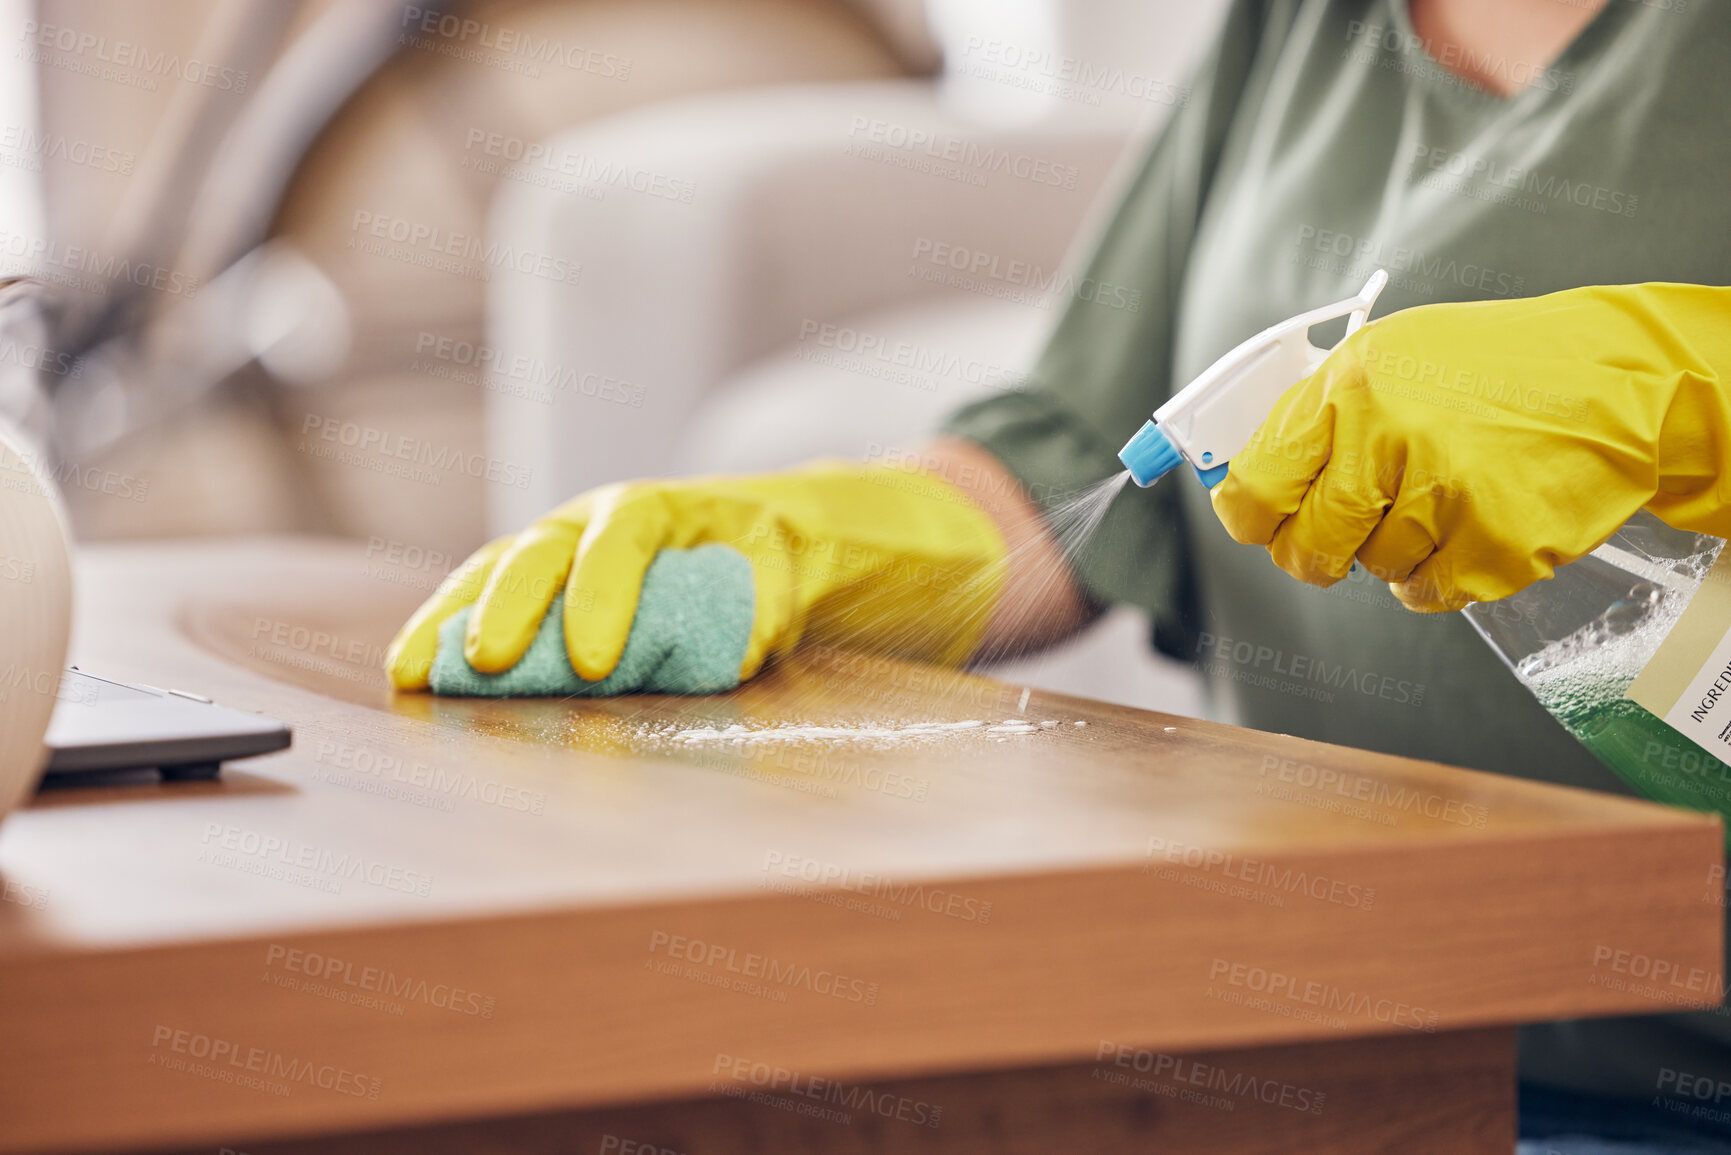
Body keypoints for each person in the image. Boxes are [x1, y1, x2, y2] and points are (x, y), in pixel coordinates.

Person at [389, 0, 1731, 1147]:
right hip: (1345, 1060)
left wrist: (1678, 386)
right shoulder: (1304, 26)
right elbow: (1098, 453)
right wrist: (821, 542)